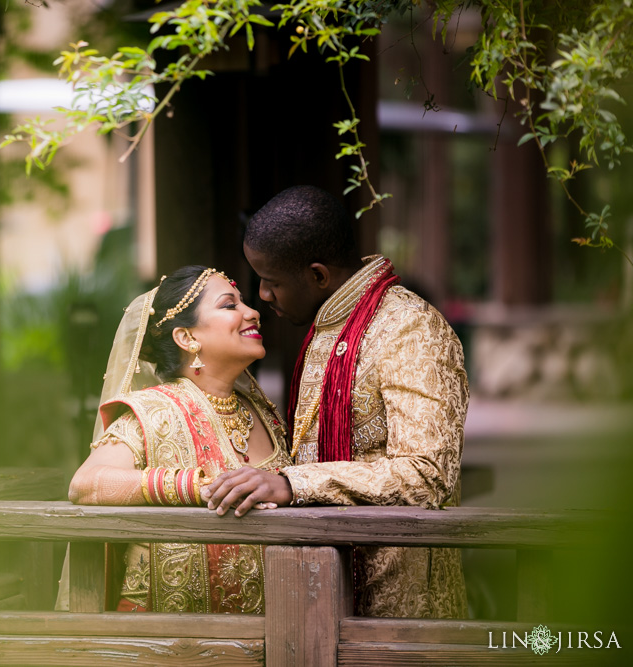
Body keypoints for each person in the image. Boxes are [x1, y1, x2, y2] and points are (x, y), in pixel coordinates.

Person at [202, 185, 469, 618]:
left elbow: (427, 474)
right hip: (320, 597)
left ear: (318, 276)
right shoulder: (329, 326)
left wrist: (294, 484)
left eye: (271, 282)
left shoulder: (409, 329)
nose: (263, 296)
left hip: (400, 613)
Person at [68, 265, 292, 613]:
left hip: (273, 634)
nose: (252, 313)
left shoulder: (261, 410)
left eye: (243, 303)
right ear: (187, 338)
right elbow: (85, 484)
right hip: (168, 637)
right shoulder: (154, 411)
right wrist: (196, 487)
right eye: (229, 305)